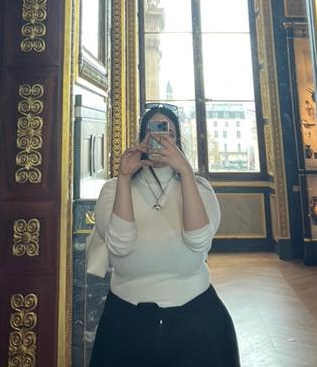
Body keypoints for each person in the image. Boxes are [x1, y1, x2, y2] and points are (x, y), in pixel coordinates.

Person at [89, 104, 240, 367]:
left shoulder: (200, 188)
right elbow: (120, 245)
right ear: (142, 139)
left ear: (178, 143)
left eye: (168, 134)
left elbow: (198, 241)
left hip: (197, 317)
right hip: (126, 320)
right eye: (154, 132)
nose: (161, 139)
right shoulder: (113, 189)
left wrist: (186, 171)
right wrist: (124, 177)